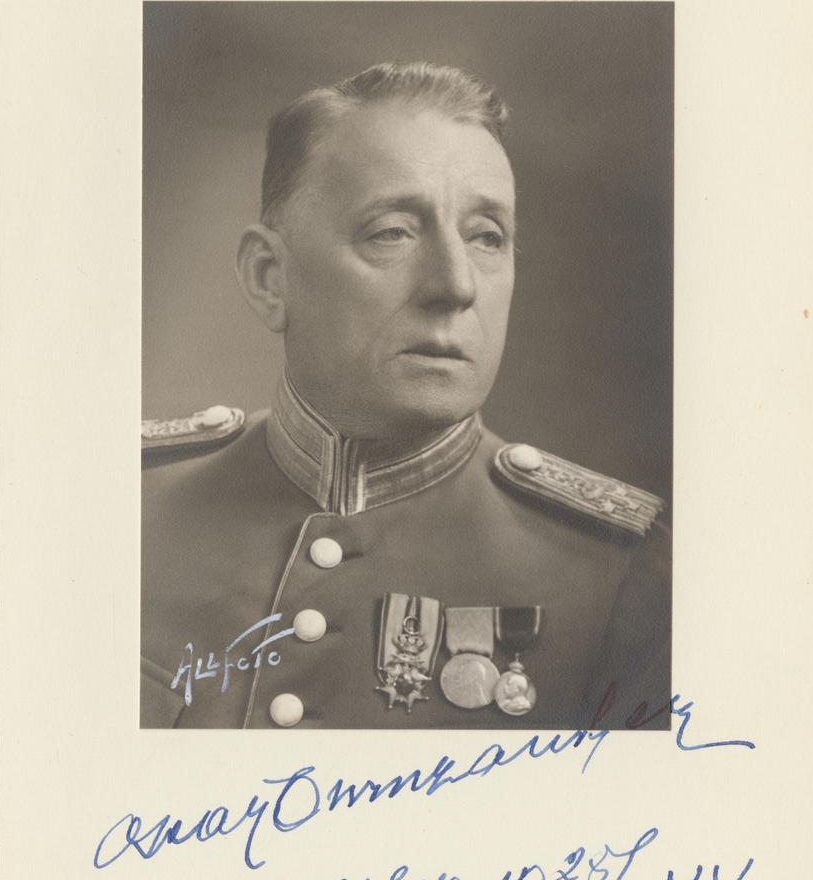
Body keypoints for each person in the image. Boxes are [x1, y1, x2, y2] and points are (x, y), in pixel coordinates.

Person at [141, 62, 671, 732]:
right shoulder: (117, 509)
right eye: (392, 231)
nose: (456, 285)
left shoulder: (624, 577)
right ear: (270, 278)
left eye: (487, 237)